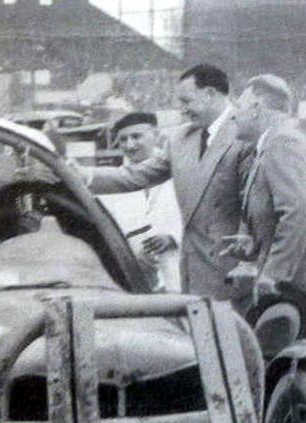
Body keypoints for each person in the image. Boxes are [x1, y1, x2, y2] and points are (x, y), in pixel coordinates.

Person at [74, 64, 254, 300]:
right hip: (190, 269)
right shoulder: (180, 138)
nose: (182, 110)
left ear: (209, 94)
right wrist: (84, 175)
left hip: (233, 269)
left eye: (186, 101)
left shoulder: (247, 131)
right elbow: (136, 175)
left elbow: (258, 204)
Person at [221, 74, 306, 340]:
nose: (232, 116)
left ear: (256, 108)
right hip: (303, 275)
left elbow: (298, 213)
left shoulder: (282, 143)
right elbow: (280, 213)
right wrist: (253, 244)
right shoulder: (269, 144)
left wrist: (274, 274)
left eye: (238, 107)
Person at [104, 112, 183, 292]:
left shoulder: (179, 171)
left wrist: (173, 237)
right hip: (137, 278)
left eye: (136, 136)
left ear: (155, 135)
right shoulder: (115, 183)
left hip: (177, 267)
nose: (130, 145)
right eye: (123, 139)